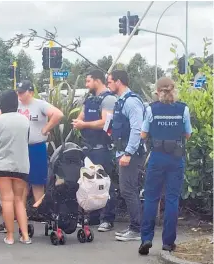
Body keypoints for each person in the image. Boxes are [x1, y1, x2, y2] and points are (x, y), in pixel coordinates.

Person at [138, 77, 192, 255]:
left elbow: (144, 134)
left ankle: (146, 239)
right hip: (176, 159)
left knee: (152, 198)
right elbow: (188, 134)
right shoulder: (183, 108)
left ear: (157, 91)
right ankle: (168, 243)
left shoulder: (151, 109)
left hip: (157, 157)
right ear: (174, 90)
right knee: (171, 199)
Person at [72, 69, 117, 231]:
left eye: (88, 81)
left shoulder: (109, 99)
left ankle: (108, 219)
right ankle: (92, 218)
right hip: (87, 148)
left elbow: (105, 123)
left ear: (97, 80)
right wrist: (78, 122)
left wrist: (84, 125)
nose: (86, 84)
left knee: (105, 184)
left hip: (102, 149)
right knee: (88, 183)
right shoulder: (90, 99)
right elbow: (82, 116)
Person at [106, 70, 146, 242]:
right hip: (123, 152)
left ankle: (137, 229)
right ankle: (134, 227)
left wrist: (128, 153)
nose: (108, 85)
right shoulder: (121, 102)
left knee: (128, 190)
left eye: (109, 82)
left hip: (131, 154)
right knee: (128, 190)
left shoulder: (131, 103)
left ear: (119, 82)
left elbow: (137, 130)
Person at [0, 89, 31, 245]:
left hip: (1, 164)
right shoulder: (25, 121)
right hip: (21, 164)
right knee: (19, 200)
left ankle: (10, 236)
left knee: (7, 200)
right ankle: (25, 236)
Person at [17, 80, 63, 203]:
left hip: (36, 147)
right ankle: (22, 215)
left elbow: (58, 114)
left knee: (37, 184)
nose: (19, 96)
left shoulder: (40, 104)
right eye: (18, 93)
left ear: (31, 92)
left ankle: (41, 212)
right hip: (20, 148)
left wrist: (45, 129)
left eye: (22, 93)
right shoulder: (16, 104)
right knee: (22, 184)